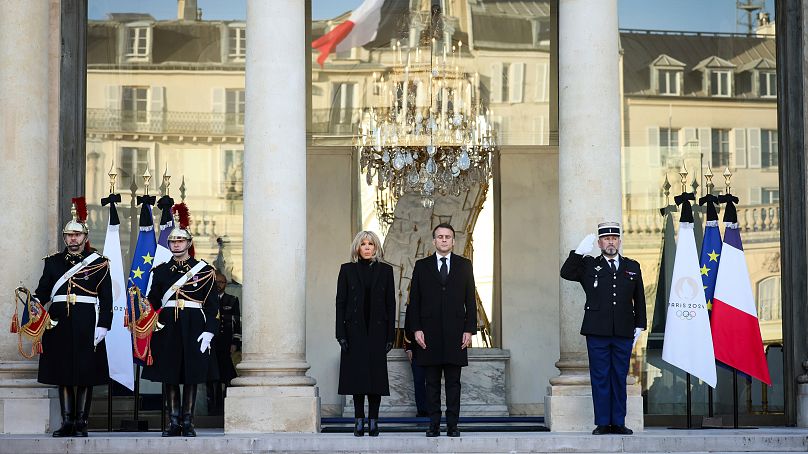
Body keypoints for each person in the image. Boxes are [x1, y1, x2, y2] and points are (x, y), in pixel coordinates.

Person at [560, 221, 646, 435]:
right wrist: (578, 252)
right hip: (597, 331)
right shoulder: (589, 265)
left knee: (619, 376)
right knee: (600, 377)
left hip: (624, 331)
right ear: (599, 243)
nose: (611, 242)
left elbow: (640, 298)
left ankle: (618, 422)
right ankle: (602, 422)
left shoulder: (632, 266)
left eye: (614, 238)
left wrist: (640, 325)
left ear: (619, 241)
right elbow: (566, 272)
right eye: (606, 239)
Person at [35, 204, 113, 437]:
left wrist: (104, 325)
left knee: (85, 373)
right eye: (69, 235)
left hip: (86, 321)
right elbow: (43, 292)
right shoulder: (53, 262)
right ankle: (67, 421)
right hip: (59, 321)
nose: (73, 239)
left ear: (85, 237)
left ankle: (82, 422)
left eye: (77, 235)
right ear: (64, 238)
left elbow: (107, 298)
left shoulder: (98, 262)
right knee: (63, 373)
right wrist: (33, 304)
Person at [141, 220, 219, 437]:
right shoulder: (161, 271)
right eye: (173, 241)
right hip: (168, 325)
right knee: (170, 374)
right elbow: (154, 300)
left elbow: (213, 306)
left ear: (189, 243)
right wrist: (140, 308)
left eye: (180, 240)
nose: (176, 244)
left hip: (195, 324)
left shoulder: (204, 271)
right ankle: (173, 421)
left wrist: (210, 330)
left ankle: (188, 421)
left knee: (192, 375)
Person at [405, 223, 477, 438]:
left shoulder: (465, 265)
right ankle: (433, 425)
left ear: (453, 241)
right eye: (440, 236)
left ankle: (453, 425)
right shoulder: (422, 265)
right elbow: (414, 301)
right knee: (432, 383)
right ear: (434, 241)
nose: (444, 240)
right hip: (429, 334)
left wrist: (469, 329)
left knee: (454, 383)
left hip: (456, 334)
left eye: (448, 237)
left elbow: (470, 301)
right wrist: (416, 329)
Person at [335, 231, 396, 437]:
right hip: (354, 332)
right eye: (363, 244)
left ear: (376, 247)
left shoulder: (386, 271)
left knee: (376, 379)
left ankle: (374, 420)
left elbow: (391, 304)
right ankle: (359, 420)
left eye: (371, 243)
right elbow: (340, 303)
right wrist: (340, 333)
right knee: (358, 377)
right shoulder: (347, 270)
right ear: (357, 248)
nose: (367, 247)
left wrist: (391, 336)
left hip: (378, 331)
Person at [206, 270, 241, 415]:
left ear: (225, 284)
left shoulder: (232, 300)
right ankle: (212, 406)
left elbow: (236, 323)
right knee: (211, 375)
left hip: (225, 343)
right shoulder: (207, 299)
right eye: (215, 282)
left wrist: (235, 342)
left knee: (227, 375)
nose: (218, 285)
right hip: (210, 342)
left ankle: (226, 406)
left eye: (220, 282)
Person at [402, 337, 428, 417]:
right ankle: (422, 410)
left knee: (433, 382)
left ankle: (433, 409)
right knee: (419, 381)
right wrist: (409, 348)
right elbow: (408, 327)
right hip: (416, 350)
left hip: (434, 350)